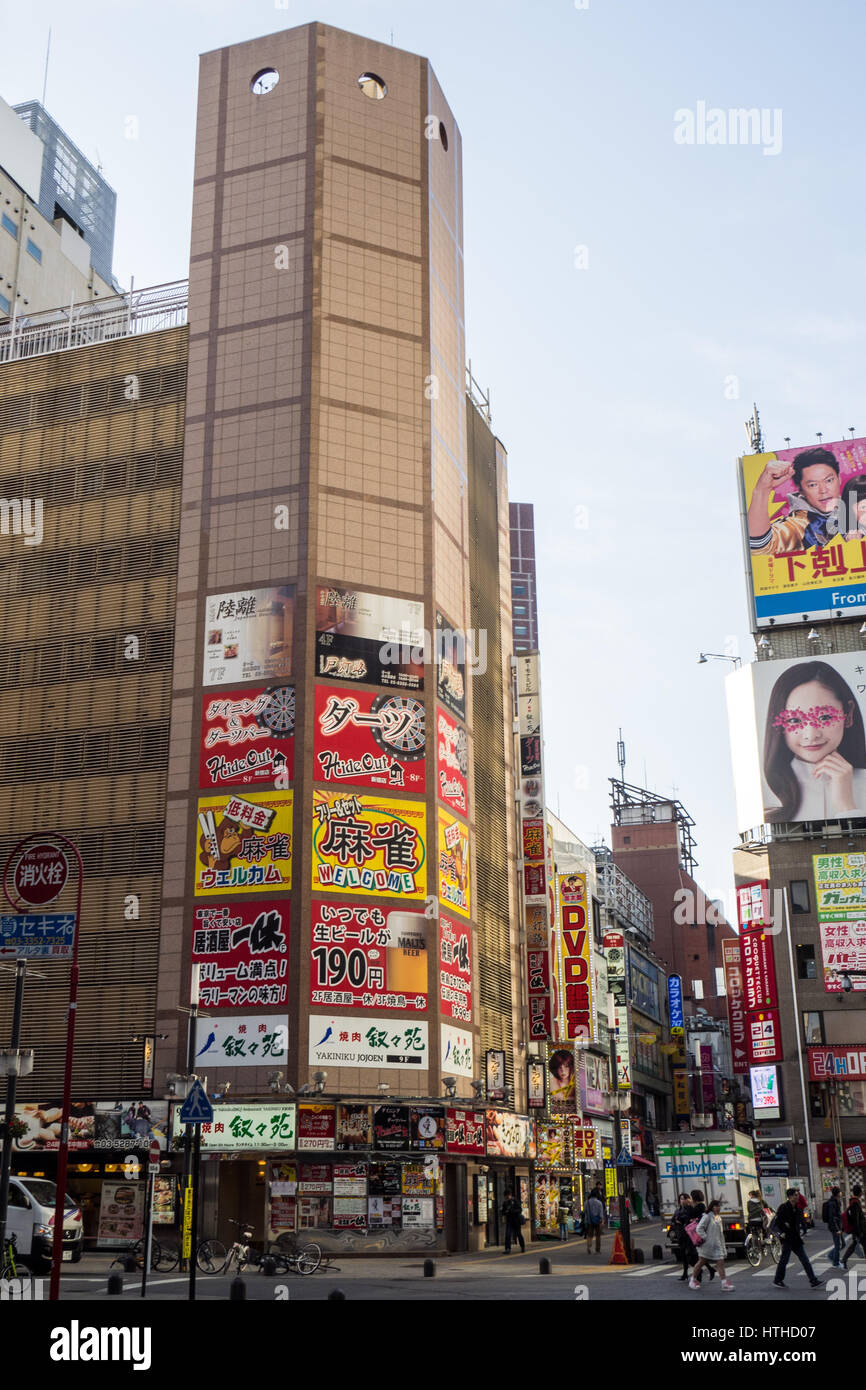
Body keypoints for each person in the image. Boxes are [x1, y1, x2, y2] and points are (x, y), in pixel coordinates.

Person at [762, 661, 866, 822]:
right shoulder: (762, 795)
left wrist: (846, 807)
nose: (811, 735)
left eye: (824, 717)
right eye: (795, 720)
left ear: (849, 714)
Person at [748, 447, 848, 554]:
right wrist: (762, 490)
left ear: (839, 479)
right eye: (813, 485)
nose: (823, 490)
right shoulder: (800, 525)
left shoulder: (857, 503)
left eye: (829, 480)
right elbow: (760, 545)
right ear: (801, 490)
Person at [773, 1189, 822, 1289]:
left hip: (795, 1238)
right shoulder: (783, 1207)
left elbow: (799, 1222)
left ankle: (813, 1280)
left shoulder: (798, 1209)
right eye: (795, 1195)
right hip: (787, 1238)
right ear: (790, 1197)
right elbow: (777, 1223)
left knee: (805, 1260)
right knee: (784, 1260)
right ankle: (778, 1280)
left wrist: (806, 1222)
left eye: (798, 1195)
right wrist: (782, 1233)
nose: (797, 1197)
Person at [689, 1199, 734, 1291]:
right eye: (716, 1206)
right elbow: (699, 1229)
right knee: (701, 1262)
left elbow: (721, 1234)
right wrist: (706, 1238)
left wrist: (723, 1248)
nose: (718, 1208)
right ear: (712, 1207)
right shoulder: (707, 1216)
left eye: (719, 1206)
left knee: (720, 1263)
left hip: (717, 1245)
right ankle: (692, 1280)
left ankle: (724, 1283)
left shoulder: (718, 1218)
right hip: (706, 1246)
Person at [688, 1189, 715, 1282]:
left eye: (691, 1197)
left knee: (697, 1255)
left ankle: (698, 1275)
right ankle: (709, 1270)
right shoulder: (700, 1205)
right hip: (695, 1232)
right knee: (700, 1256)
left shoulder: (700, 1206)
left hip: (698, 1233)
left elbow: (693, 1214)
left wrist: (690, 1206)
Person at [672, 1193, 697, 1281]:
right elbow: (673, 1219)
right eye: (680, 1199)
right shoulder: (678, 1210)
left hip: (688, 1235)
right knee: (683, 1255)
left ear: (688, 1200)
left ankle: (699, 1270)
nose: (682, 1201)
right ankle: (685, 1273)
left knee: (691, 1255)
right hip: (680, 1235)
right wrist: (676, 1221)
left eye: (683, 1199)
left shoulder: (690, 1209)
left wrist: (681, 1221)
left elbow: (689, 1220)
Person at [841, 1185, 866, 1267]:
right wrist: (858, 1232)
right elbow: (856, 1219)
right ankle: (843, 1260)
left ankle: (843, 1260)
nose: (862, 1192)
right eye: (861, 1191)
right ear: (859, 1192)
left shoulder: (854, 1201)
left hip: (859, 1229)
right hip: (859, 1230)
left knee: (854, 1245)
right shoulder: (855, 1203)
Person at [824, 1185, 843, 1268]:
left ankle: (831, 1255)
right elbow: (832, 1217)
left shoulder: (837, 1201)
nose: (841, 1193)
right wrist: (837, 1229)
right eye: (840, 1191)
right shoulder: (832, 1203)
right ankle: (836, 1263)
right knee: (838, 1245)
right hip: (835, 1227)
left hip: (838, 1226)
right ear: (838, 1193)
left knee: (843, 1244)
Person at [501, 1189, 525, 1254]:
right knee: (507, 1235)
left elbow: (520, 1210)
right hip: (509, 1221)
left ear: (510, 1195)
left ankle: (522, 1246)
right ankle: (507, 1249)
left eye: (507, 1196)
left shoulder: (515, 1201)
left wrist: (512, 1211)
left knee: (518, 1234)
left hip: (516, 1220)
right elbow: (503, 1211)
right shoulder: (505, 1203)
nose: (506, 1198)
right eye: (505, 1197)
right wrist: (504, 1212)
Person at [584, 1189, 604, 1254]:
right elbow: (601, 1214)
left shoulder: (587, 1202)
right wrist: (601, 1220)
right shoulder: (599, 1203)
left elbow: (584, 1211)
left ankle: (589, 1247)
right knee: (598, 1235)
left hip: (589, 1221)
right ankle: (597, 1250)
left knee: (590, 1235)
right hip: (597, 1221)